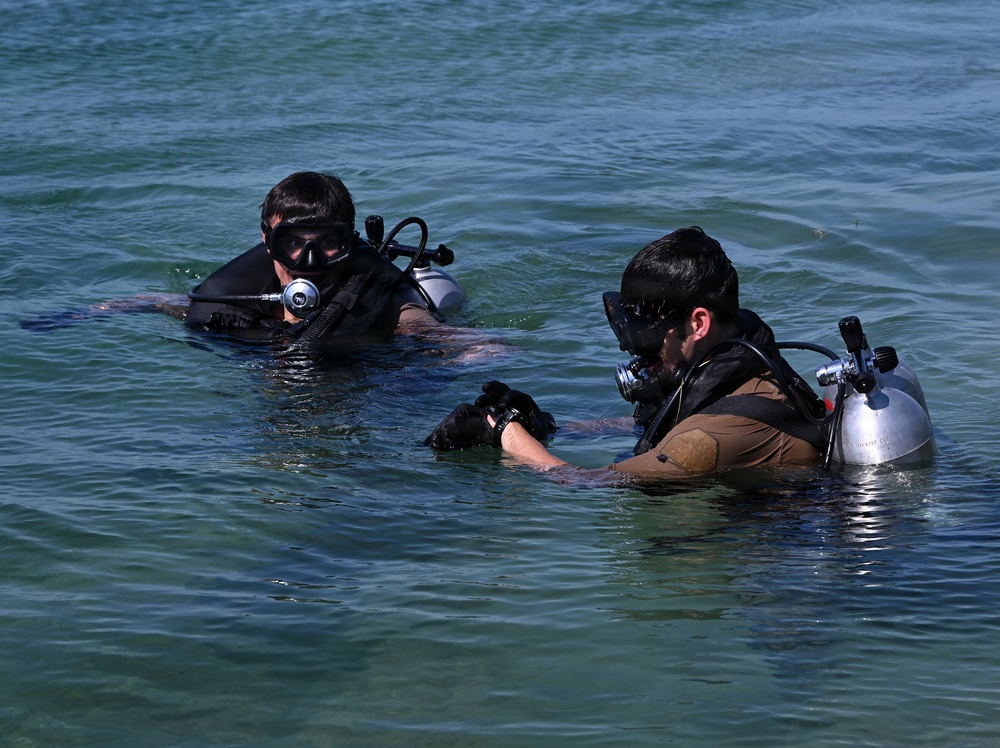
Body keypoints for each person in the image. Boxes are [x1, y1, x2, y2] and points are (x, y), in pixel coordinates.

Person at [425, 226, 828, 480]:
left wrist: (505, 435)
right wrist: (549, 427)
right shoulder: (739, 364)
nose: (639, 347)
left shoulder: (712, 435)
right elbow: (662, 422)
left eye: (649, 332)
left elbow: (585, 482)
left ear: (699, 323)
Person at [186, 171, 444, 343]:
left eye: (328, 242)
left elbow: (432, 332)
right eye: (294, 242)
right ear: (268, 242)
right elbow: (174, 305)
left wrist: (476, 350)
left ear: (349, 244)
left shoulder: (386, 305)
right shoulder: (231, 298)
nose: (309, 261)